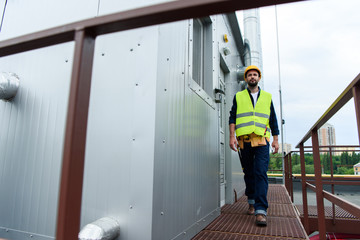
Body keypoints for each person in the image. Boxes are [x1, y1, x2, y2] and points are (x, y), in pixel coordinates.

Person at [229, 65, 279, 226]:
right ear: (246, 78)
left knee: (260, 173)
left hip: (262, 140)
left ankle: (261, 211)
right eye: (249, 75)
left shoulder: (267, 97)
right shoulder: (239, 96)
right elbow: (232, 118)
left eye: (255, 75)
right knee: (249, 173)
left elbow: (273, 120)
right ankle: (251, 200)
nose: (252, 77)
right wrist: (232, 137)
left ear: (259, 78)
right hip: (244, 140)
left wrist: (276, 140)